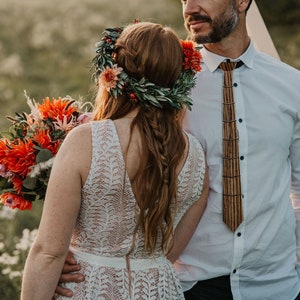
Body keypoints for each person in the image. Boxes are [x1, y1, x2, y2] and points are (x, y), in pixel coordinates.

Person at [54, 0, 300, 299]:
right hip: (189, 284)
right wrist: (78, 256)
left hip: (277, 285)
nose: (190, 8)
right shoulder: (164, 84)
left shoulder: (291, 85)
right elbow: (113, 164)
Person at [21, 21, 208, 300]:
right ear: (177, 78)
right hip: (159, 291)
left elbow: (48, 252)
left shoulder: (85, 141)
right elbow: (170, 251)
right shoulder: (195, 155)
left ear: (112, 72)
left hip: (88, 288)